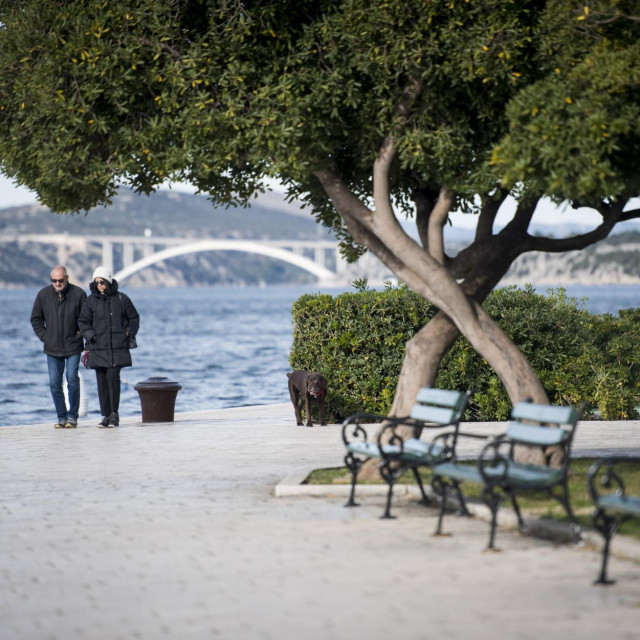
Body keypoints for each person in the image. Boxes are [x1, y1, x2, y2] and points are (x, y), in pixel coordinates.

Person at [78, 266, 139, 428]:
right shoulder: (90, 301)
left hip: (117, 347)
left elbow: (134, 318)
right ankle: (105, 415)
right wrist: (91, 335)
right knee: (101, 382)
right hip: (98, 347)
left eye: (102, 281)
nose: (99, 285)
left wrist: (128, 332)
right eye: (97, 282)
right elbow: (83, 321)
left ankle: (114, 414)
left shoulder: (122, 299)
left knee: (113, 379)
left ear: (108, 281)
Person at [30, 265, 87, 428]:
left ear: (67, 278)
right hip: (52, 348)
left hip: (73, 346)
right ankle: (62, 417)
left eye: (60, 280)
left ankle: (72, 417)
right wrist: (45, 337)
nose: (57, 283)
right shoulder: (43, 295)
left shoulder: (78, 294)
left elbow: (87, 319)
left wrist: (79, 336)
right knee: (55, 384)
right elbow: (36, 319)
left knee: (72, 379)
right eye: (54, 280)